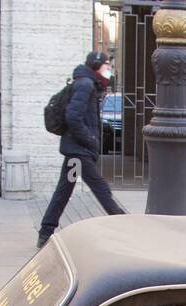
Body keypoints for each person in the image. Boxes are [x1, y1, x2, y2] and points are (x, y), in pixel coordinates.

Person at [37, 51, 126, 249]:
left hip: (76, 150)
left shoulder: (86, 83)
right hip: (79, 151)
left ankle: (45, 231)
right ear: (95, 65)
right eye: (106, 66)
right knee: (100, 187)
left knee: (64, 190)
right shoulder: (85, 85)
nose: (109, 70)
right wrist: (90, 139)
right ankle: (123, 224)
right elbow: (73, 117)